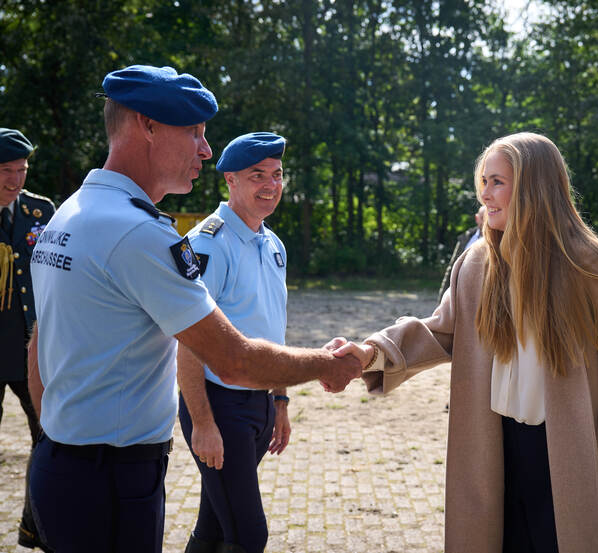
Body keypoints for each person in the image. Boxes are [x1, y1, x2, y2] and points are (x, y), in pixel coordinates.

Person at [27, 65, 361, 553]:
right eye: (195, 133)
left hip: (63, 465)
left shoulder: (71, 212)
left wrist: (59, 440)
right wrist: (330, 364)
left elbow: (40, 341)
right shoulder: (138, 232)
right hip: (113, 479)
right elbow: (234, 360)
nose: (205, 149)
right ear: (148, 125)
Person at [331, 132, 598, 553]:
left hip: (578, 454)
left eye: (497, 182)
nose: (485, 194)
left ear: (536, 185)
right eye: (483, 181)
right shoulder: (477, 264)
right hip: (497, 452)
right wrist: (371, 352)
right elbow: (441, 330)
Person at [179, 132, 293, 553]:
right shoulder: (208, 243)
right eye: (257, 175)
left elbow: (272, 328)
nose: (270, 184)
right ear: (230, 179)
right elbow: (188, 339)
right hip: (218, 404)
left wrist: (279, 402)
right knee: (248, 536)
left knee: (212, 528)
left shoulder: (273, 243)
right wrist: (203, 423)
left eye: (277, 175)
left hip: (258, 405)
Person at [0, 128, 54, 552]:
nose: (15, 180)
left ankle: (34, 527)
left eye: (21, 170)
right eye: (5, 171)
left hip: (30, 349)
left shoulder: (41, 211)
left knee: (47, 437)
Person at [438, 205, 485, 301]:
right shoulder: (466, 238)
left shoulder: (498, 241)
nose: (485, 221)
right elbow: (452, 267)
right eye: (483, 218)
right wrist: (442, 297)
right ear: (477, 218)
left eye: (487, 217)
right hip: (461, 291)